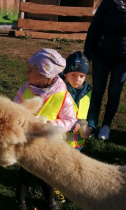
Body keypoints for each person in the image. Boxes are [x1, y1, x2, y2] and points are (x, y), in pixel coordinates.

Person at [14, 48, 77, 210]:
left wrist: (50, 125)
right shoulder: (24, 91)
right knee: (24, 175)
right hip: (27, 143)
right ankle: (20, 202)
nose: (26, 73)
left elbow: (70, 120)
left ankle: (49, 202)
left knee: (47, 176)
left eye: (31, 70)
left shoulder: (63, 96)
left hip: (49, 146)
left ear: (45, 76)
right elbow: (14, 111)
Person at [83, 0, 126, 140]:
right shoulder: (108, 3)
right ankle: (92, 124)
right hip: (101, 55)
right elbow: (94, 28)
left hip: (123, 59)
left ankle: (106, 126)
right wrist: (87, 55)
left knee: (114, 90)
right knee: (97, 89)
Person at [61, 51, 92, 150]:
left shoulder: (88, 92)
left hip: (79, 140)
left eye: (81, 76)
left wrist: (91, 126)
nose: (77, 79)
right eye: (73, 75)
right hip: (61, 141)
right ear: (65, 74)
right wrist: (72, 124)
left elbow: (92, 111)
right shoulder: (60, 91)